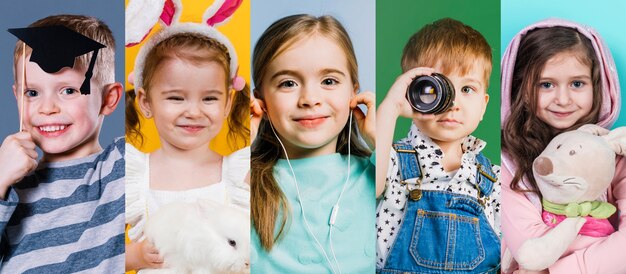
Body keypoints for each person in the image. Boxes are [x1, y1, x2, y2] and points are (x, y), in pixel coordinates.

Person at [123, 4, 251, 272]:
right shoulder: (132, 175)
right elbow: (95, 245)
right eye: (176, 98)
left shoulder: (239, 175)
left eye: (209, 98)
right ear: (146, 102)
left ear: (227, 103)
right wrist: (134, 256)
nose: (193, 111)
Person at [249, 14, 376, 273]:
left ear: (354, 92)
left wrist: (378, 139)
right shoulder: (245, 180)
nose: (309, 99)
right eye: (288, 83)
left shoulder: (377, 173)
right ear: (260, 101)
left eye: (329, 81)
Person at [0, 15, 124, 272]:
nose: (46, 108)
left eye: (68, 90)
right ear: (17, 96)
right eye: (31, 93)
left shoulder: (118, 166)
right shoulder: (10, 184)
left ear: (109, 99)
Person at [376, 18, 500, 273]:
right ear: (412, 93)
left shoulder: (494, 179)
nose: (452, 102)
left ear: (484, 105)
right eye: (436, 89)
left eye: (467, 88)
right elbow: (370, 187)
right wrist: (390, 109)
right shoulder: (392, 161)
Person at [500, 18, 625, 274]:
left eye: (577, 84)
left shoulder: (614, 154)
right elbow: (531, 246)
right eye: (546, 85)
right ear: (521, 88)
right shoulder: (506, 165)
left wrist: (556, 271)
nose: (563, 99)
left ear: (597, 86)